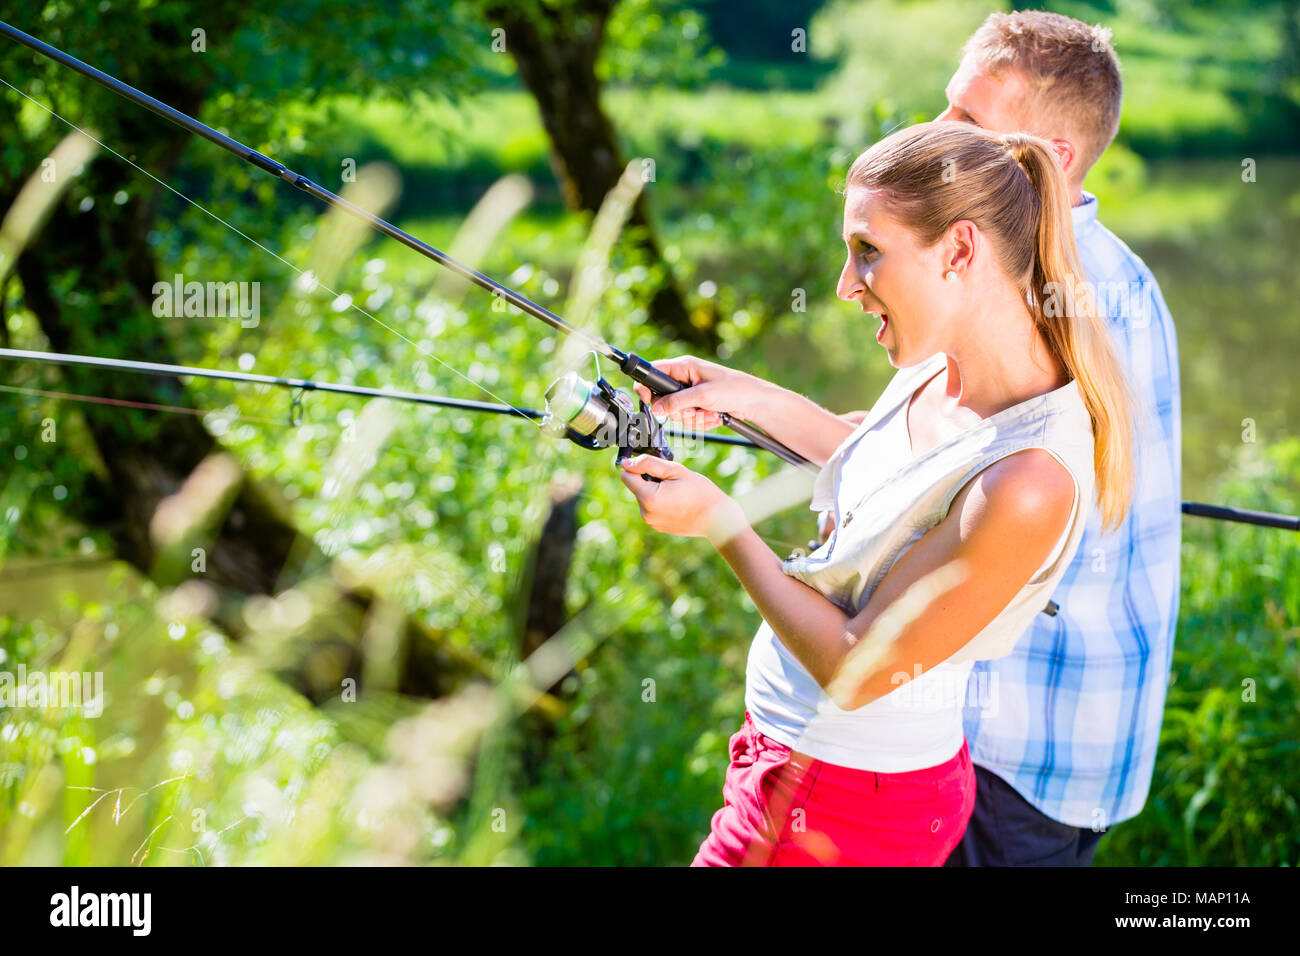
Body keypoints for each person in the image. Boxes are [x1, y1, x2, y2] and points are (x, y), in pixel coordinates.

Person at [619, 119, 1135, 866]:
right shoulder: (940, 364)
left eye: (868, 253)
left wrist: (722, 524)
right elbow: (885, 476)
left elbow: (857, 666)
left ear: (958, 251)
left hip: (846, 804)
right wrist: (742, 395)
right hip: (786, 765)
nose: (843, 286)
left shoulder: (1028, 479)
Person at [921, 11, 1180, 866]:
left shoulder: (1057, 292)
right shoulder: (1085, 265)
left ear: (1054, 160)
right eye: (946, 108)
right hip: (1052, 737)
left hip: (1025, 743)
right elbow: (931, 452)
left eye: (971, 123)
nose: (938, 134)